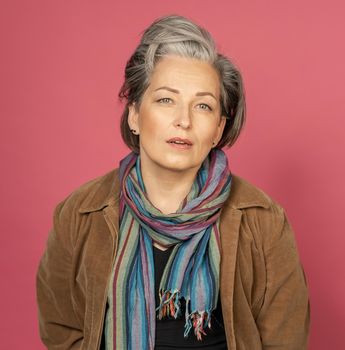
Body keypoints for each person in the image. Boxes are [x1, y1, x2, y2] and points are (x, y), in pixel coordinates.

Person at [36, 14, 311, 350]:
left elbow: (286, 339)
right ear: (135, 114)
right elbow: (61, 330)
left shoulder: (264, 220)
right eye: (166, 100)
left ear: (218, 130)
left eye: (203, 106)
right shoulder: (79, 214)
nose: (184, 120)